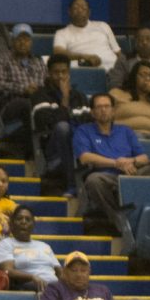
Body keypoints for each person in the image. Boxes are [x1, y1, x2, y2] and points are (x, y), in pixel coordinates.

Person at [74, 91, 150, 236]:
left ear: (113, 110)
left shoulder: (125, 131)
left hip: (132, 173)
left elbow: (143, 157)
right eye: (99, 107)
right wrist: (116, 163)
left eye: (107, 106)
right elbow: (85, 158)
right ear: (93, 112)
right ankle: (118, 221)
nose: (103, 110)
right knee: (93, 180)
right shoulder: (84, 131)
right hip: (108, 177)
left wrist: (131, 161)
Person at [31, 54, 91, 196]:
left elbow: (87, 123)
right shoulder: (40, 95)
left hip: (79, 146)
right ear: (49, 74)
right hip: (53, 153)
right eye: (56, 72)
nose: (60, 76)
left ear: (69, 73)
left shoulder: (80, 97)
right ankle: (72, 185)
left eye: (64, 72)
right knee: (63, 128)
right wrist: (64, 100)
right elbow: (48, 125)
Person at [0, 24, 47, 158]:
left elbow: (45, 83)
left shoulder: (38, 62)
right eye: (19, 39)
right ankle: (34, 151)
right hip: (10, 104)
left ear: (31, 42)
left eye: (26, 39)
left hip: (35, 101)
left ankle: (36, 152)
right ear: (12, 41)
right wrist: (23, 89)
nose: (22, 43)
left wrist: (36, 90)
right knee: (26, 105)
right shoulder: (2, 60)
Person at [0, 205, 61, 291]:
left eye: (28, 219)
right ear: (11, 224)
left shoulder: (44, 246)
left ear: (33, 225)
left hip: (53, 286)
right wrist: (31, 277)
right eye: (19, 219)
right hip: (28, 285)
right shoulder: (5, 244)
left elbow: (59, 272)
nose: (23, 222)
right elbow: (7, 271)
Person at [53, 0, 124, 70]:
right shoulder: (62, 33)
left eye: (84, 8)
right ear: (69, 11)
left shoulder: (103, 26)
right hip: (87, 73)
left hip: (115, 71)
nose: (80, 10)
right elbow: (59, 53)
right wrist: (85, 57)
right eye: (76, 8)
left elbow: (118, 52)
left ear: (89, 12)